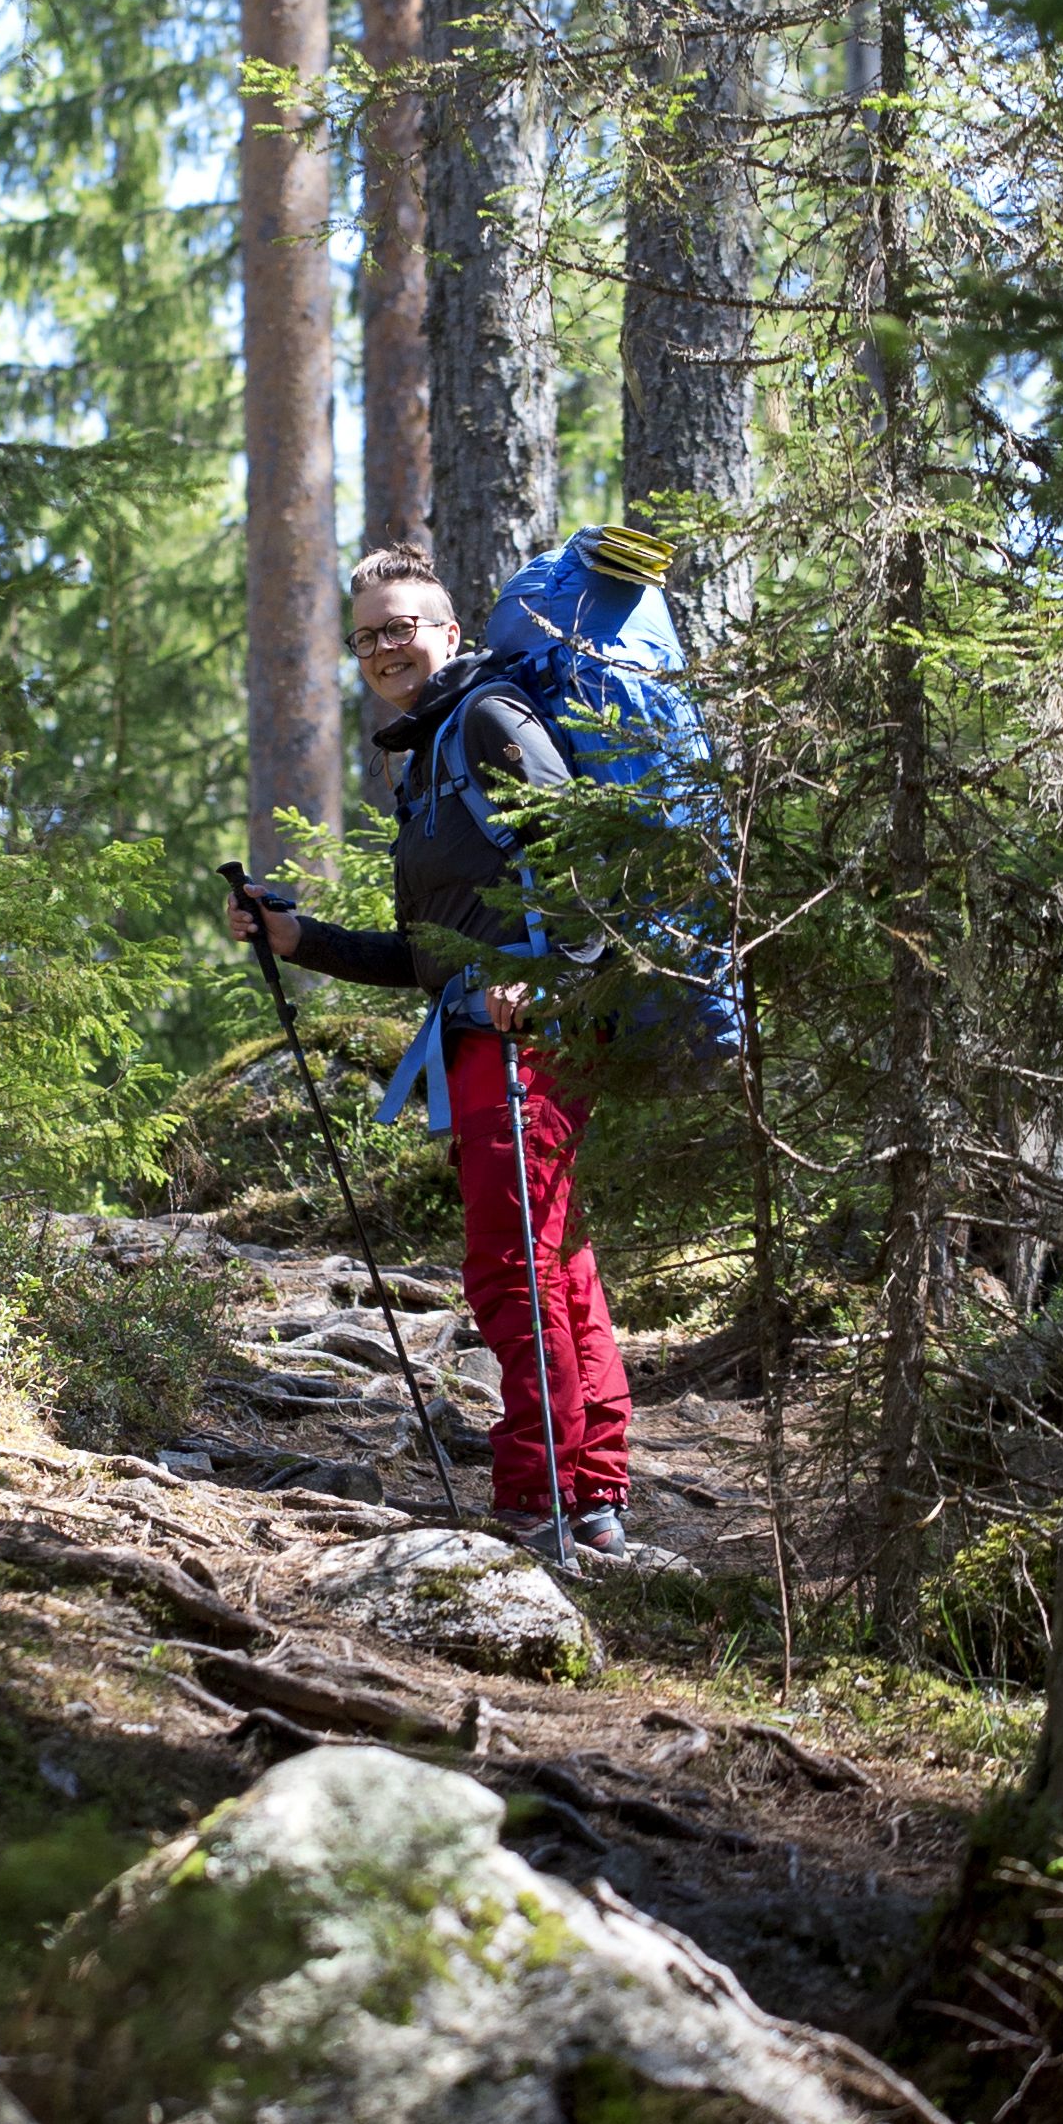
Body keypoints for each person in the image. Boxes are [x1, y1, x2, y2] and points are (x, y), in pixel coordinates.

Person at [218, 534, 639, 1552]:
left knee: (512, 1265)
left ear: (448, 631)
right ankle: (592, 1494)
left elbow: (593, 856)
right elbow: (427, 957)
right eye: (366, 639)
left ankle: (536, 1497)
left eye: (400, 629)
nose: (383, 650)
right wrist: (300, 938)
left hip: (530, 1038)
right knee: (555, 1261)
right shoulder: (430, 759)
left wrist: (545, 976)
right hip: (485, 1035)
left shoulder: (489, 719)